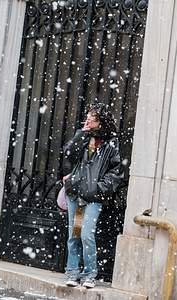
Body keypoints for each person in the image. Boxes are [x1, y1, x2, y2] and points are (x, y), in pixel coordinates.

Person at [62, 102, 124, 289]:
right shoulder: (83, 136)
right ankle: (72, 272)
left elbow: (116, 172)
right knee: (75, 234)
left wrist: (99, 188)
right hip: (77, 195)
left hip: (92, 197)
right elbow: (69, 154)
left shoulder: (110, 142)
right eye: (88, 114)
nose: (88, 118)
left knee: (87, 235)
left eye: (93, 115)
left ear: (101, 119)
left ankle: (90, 274)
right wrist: (81, 134)